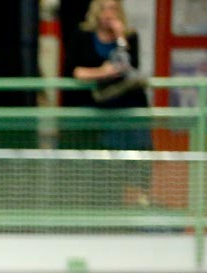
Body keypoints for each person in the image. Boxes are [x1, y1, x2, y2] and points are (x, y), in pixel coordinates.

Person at [63, 0, 152, 210]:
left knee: (135, 146)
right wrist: (102, 72)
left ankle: (140, 196)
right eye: (103, 8)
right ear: (96, 11)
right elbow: (74, 70)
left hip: (126, 104)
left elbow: (131, 67)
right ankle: (96, 202)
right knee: (100, 157)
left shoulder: (130, 37)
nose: (108, 14)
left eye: (112, 8)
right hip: (94, 105)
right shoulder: (82, 36)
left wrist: (120, 37)